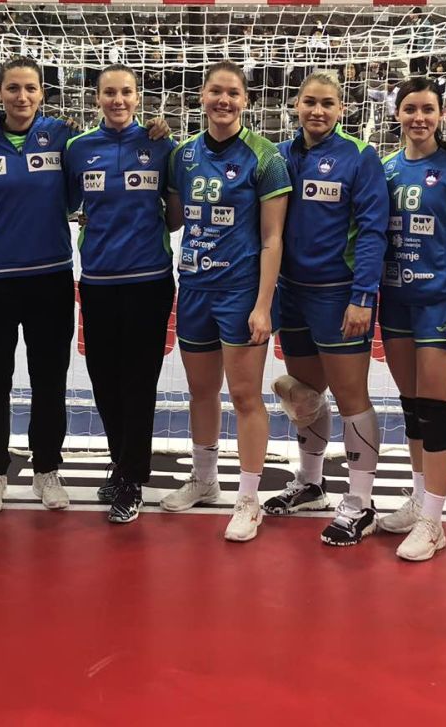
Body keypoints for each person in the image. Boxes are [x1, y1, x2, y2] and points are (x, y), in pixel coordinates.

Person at [160, 61, 290, 542]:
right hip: (194, 287)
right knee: (200, 392)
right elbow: (174, 219)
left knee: (245, 396)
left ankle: (248, 500)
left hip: (240, 292)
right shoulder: (183, 155)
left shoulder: (265, 156)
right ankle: (204, 479)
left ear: (246, 101)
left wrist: (263, 304)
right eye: (216, 91)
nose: (224, 100)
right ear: (201, 95)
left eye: (233, 93)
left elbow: (273, 238)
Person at [260, 71, 389, 546]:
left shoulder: (360, 156)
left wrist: (362, 296)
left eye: (327, 103)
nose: (318, 111)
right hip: (291, 292)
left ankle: (360, 503)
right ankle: (311, 483)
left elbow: (373, 230)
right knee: (307, 395)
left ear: (341, 109)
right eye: (310, 102)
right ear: (296, 105)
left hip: (338, 294)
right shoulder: (278, 155)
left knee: (353, 397)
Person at [375, 76, 446, 562]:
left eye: (428, 109)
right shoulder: (385, 168)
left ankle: (433, 522)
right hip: (396, 300)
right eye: (410, 109)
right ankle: (419, 500)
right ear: (397, 114)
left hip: (440, 303)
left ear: (442, 114)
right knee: (411, 407)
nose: (419, 117)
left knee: (434, 408)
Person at [64, 64, 182, 523]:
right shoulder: (78, 148)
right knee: (104, 379)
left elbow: (175, 218)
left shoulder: (161, 145)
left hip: (149, 281)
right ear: (97, 98)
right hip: (97, 282)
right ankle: (121, 463)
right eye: (109, 93)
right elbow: (67, 203)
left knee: (138, 381)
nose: (118, 100)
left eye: (126, 92)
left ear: (137, 97)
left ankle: (132, 477)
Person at [0, 57, 76, 515]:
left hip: (50, 275)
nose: (21, 96)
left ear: (42, 93)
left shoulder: (63, 136)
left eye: (30, 88)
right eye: (13, 88)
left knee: (50, 379)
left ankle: (47, 468)